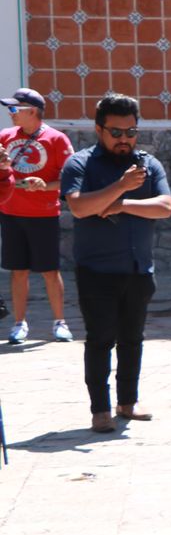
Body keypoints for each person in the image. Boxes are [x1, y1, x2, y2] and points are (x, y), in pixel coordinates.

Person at [58, 93, 171, 432]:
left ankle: (128, 402)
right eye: (116, 132)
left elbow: (165, 207)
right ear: (99, 129)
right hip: (97, 271)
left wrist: (121, 203)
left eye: (131, 132)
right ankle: (100, 410)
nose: (125, 140)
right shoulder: (80, 164)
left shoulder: (148, 165)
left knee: (132, 339)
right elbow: (79, 207)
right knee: (100, 340)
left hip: (139, 270)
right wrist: (121, 186)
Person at [1, 88, 74, 344]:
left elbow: (71, 178)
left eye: (14, 109)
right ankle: (19, 324)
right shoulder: (4, 137)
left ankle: (59, 322)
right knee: (17, 270)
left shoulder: (57, 140)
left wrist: (45, 185)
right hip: (11, 213)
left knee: (49, 270)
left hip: (43, 214)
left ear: (32, 111)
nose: (10, 114)